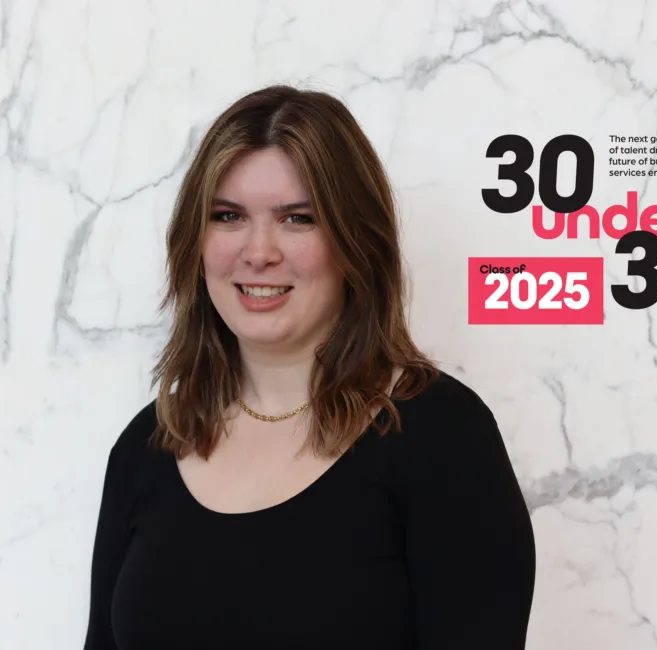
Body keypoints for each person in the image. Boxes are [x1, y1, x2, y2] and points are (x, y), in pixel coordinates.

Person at [81, 84, 536, 650]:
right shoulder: (147, 445)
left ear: (355, 242)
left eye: (298, 219)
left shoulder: (442, 436)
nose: (258, 251)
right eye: (228, 216)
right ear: (195, 244)